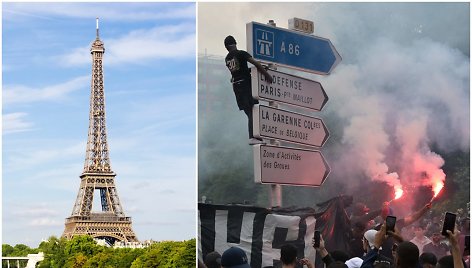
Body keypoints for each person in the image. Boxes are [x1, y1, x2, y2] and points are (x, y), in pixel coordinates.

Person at [224, 35, 273, 145]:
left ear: (226, 47)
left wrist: (253, 71)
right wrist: (267, 74)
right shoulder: (241, 53)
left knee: (249, 112)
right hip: (245, 85)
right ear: (235, 43)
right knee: (252, 110)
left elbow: (240, 70)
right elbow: (255, 63)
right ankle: (252, 136)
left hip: (236, 87)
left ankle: (255, 135)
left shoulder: (227, 58)